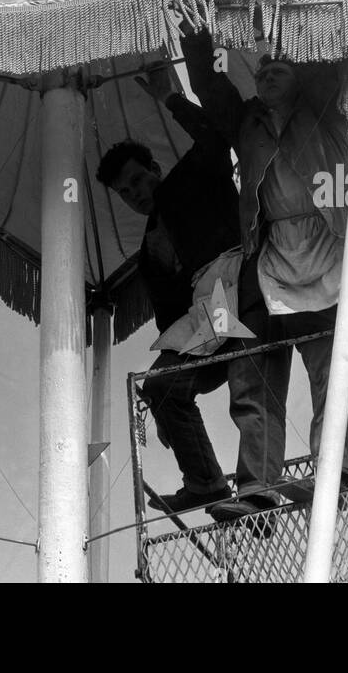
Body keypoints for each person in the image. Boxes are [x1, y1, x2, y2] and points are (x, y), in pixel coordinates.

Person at [180, 23, 348, 519]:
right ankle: (317, 470)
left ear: (300, 77)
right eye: (263, 71)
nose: (267, 78)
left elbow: (338, 68)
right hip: (279, 254)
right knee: (317, 366)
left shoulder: (325, 110)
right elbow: (209, 87)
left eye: (280, 70)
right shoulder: (247, 122)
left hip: (339, 240)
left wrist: (343, 24)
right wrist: (195, 36)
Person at [96, 64, 284, 518]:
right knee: (160, 386)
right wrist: (168, 404)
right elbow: (169, 318)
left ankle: (258, 492)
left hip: (244, 280)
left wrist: (170, 98)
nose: (136, 193)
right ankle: (206, 482)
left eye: (139, 180)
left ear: (155, 169)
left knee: (248, 389)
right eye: (126, 191)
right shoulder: (147, 251)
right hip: (207, 315)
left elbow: (217, 139)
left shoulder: (192, 175)